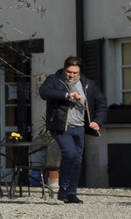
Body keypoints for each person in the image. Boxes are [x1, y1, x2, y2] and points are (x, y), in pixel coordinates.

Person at [37, 56, 104, 204]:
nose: (72, 75)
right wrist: (67, 95)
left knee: (77, 160)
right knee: (70, 154)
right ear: (64, 68)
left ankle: (71, 193)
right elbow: (44, 92)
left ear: (79, 72)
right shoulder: (54, 80)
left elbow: (101, 101)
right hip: (61, 127)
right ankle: (64, 189)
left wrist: (97, 121)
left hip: (79, 127)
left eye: (75, 73)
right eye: (69, 72)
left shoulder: (86, 84)